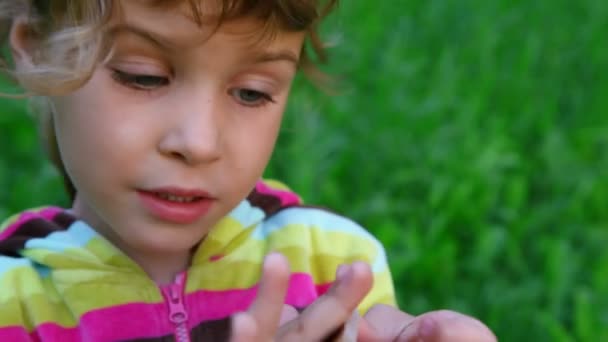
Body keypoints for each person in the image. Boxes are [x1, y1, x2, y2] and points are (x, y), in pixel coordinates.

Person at [0, 1, 497, 341]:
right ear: (37, 49)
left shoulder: (330, 264)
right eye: (142, 76)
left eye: (252, 91)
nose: (198, 143)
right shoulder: (11, 305)